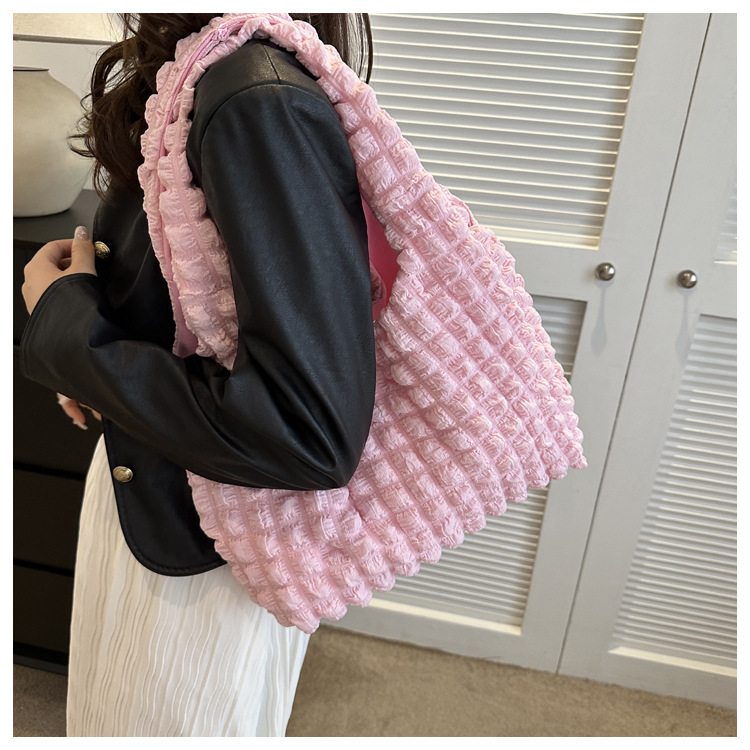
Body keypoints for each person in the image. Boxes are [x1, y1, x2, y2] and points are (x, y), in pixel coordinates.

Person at [20, 12, 377, 737]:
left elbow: (304, 431)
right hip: (162, 489)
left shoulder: (251, 96)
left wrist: (69, 331)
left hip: (207, 532)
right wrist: (93, 331)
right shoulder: (205, 70)